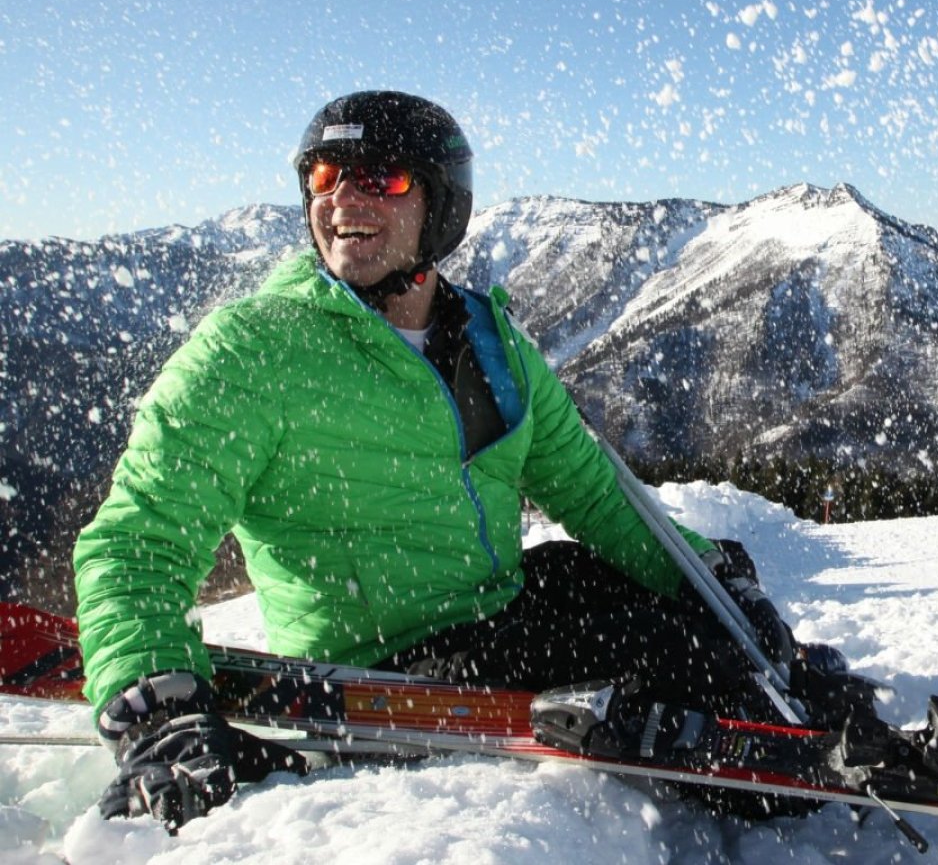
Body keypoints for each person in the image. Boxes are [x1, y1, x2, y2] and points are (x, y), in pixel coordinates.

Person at [73, 90, 861, 832]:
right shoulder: (252, 351)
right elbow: (140, 539)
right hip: (386, 663)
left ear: (440, 205)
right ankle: (785, 755)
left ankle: (788, 686)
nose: (342, 199)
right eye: (324, 175)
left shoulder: (491, 344)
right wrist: (156, 704)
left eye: (381, 177)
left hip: (496, 609)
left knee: (662, 593)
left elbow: (595, 498)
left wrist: (708, 576)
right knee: (662, 650)